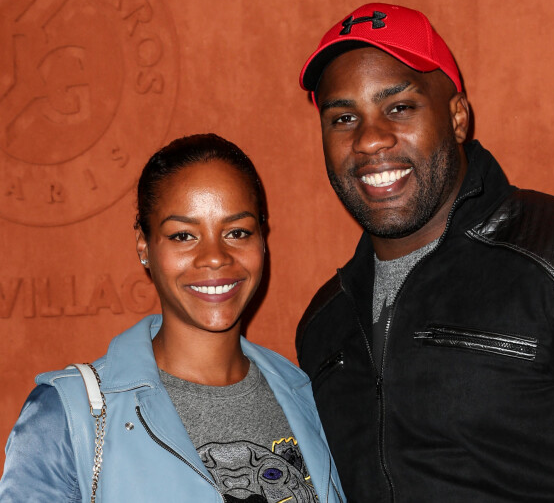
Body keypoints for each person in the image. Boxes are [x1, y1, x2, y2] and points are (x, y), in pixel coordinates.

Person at [295, 3, 554, 502]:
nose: (369, 139)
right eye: (343, 117)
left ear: (457, 117)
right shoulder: (324, 323)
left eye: (399, 107)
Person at [0, 134, 346, 503]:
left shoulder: (307, 394)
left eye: (237, 232)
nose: (215, 256)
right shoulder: (65, 416)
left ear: (262, 240)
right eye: (183, 235)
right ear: (144, 247)